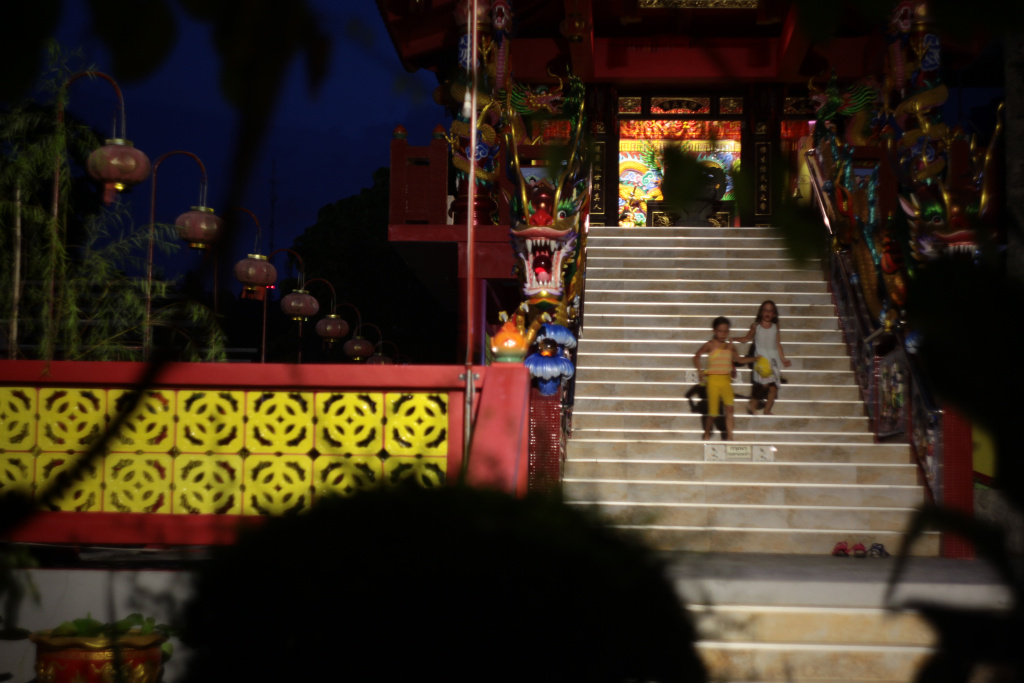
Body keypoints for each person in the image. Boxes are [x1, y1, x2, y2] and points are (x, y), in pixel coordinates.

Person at [693, 316, 756, 441]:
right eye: (720, 331)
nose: (723, 334)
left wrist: (755, 358)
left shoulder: (730, 346)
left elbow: (739, 360)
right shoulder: (710, 345)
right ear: (714, 331)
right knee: (713, 413)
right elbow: (696, 356)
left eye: (726, 331)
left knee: (730, 408)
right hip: (713, 382)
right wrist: (700, 371)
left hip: (726, 381)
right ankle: (707, 432)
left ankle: (730, 436)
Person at [731, 300, 792, 415]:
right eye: (765, 310)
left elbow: (778, 344)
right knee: (763, 385)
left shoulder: (775, 327)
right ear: (760, 312)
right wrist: (734, 338)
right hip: (761, 360)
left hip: (773, 360)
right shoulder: (756, 326)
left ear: (774, 314)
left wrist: (783, 359)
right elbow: (747, 338)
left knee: (773, 388)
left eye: (770, 311)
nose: (767, 312)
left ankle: (767, 410)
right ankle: (753, 404)